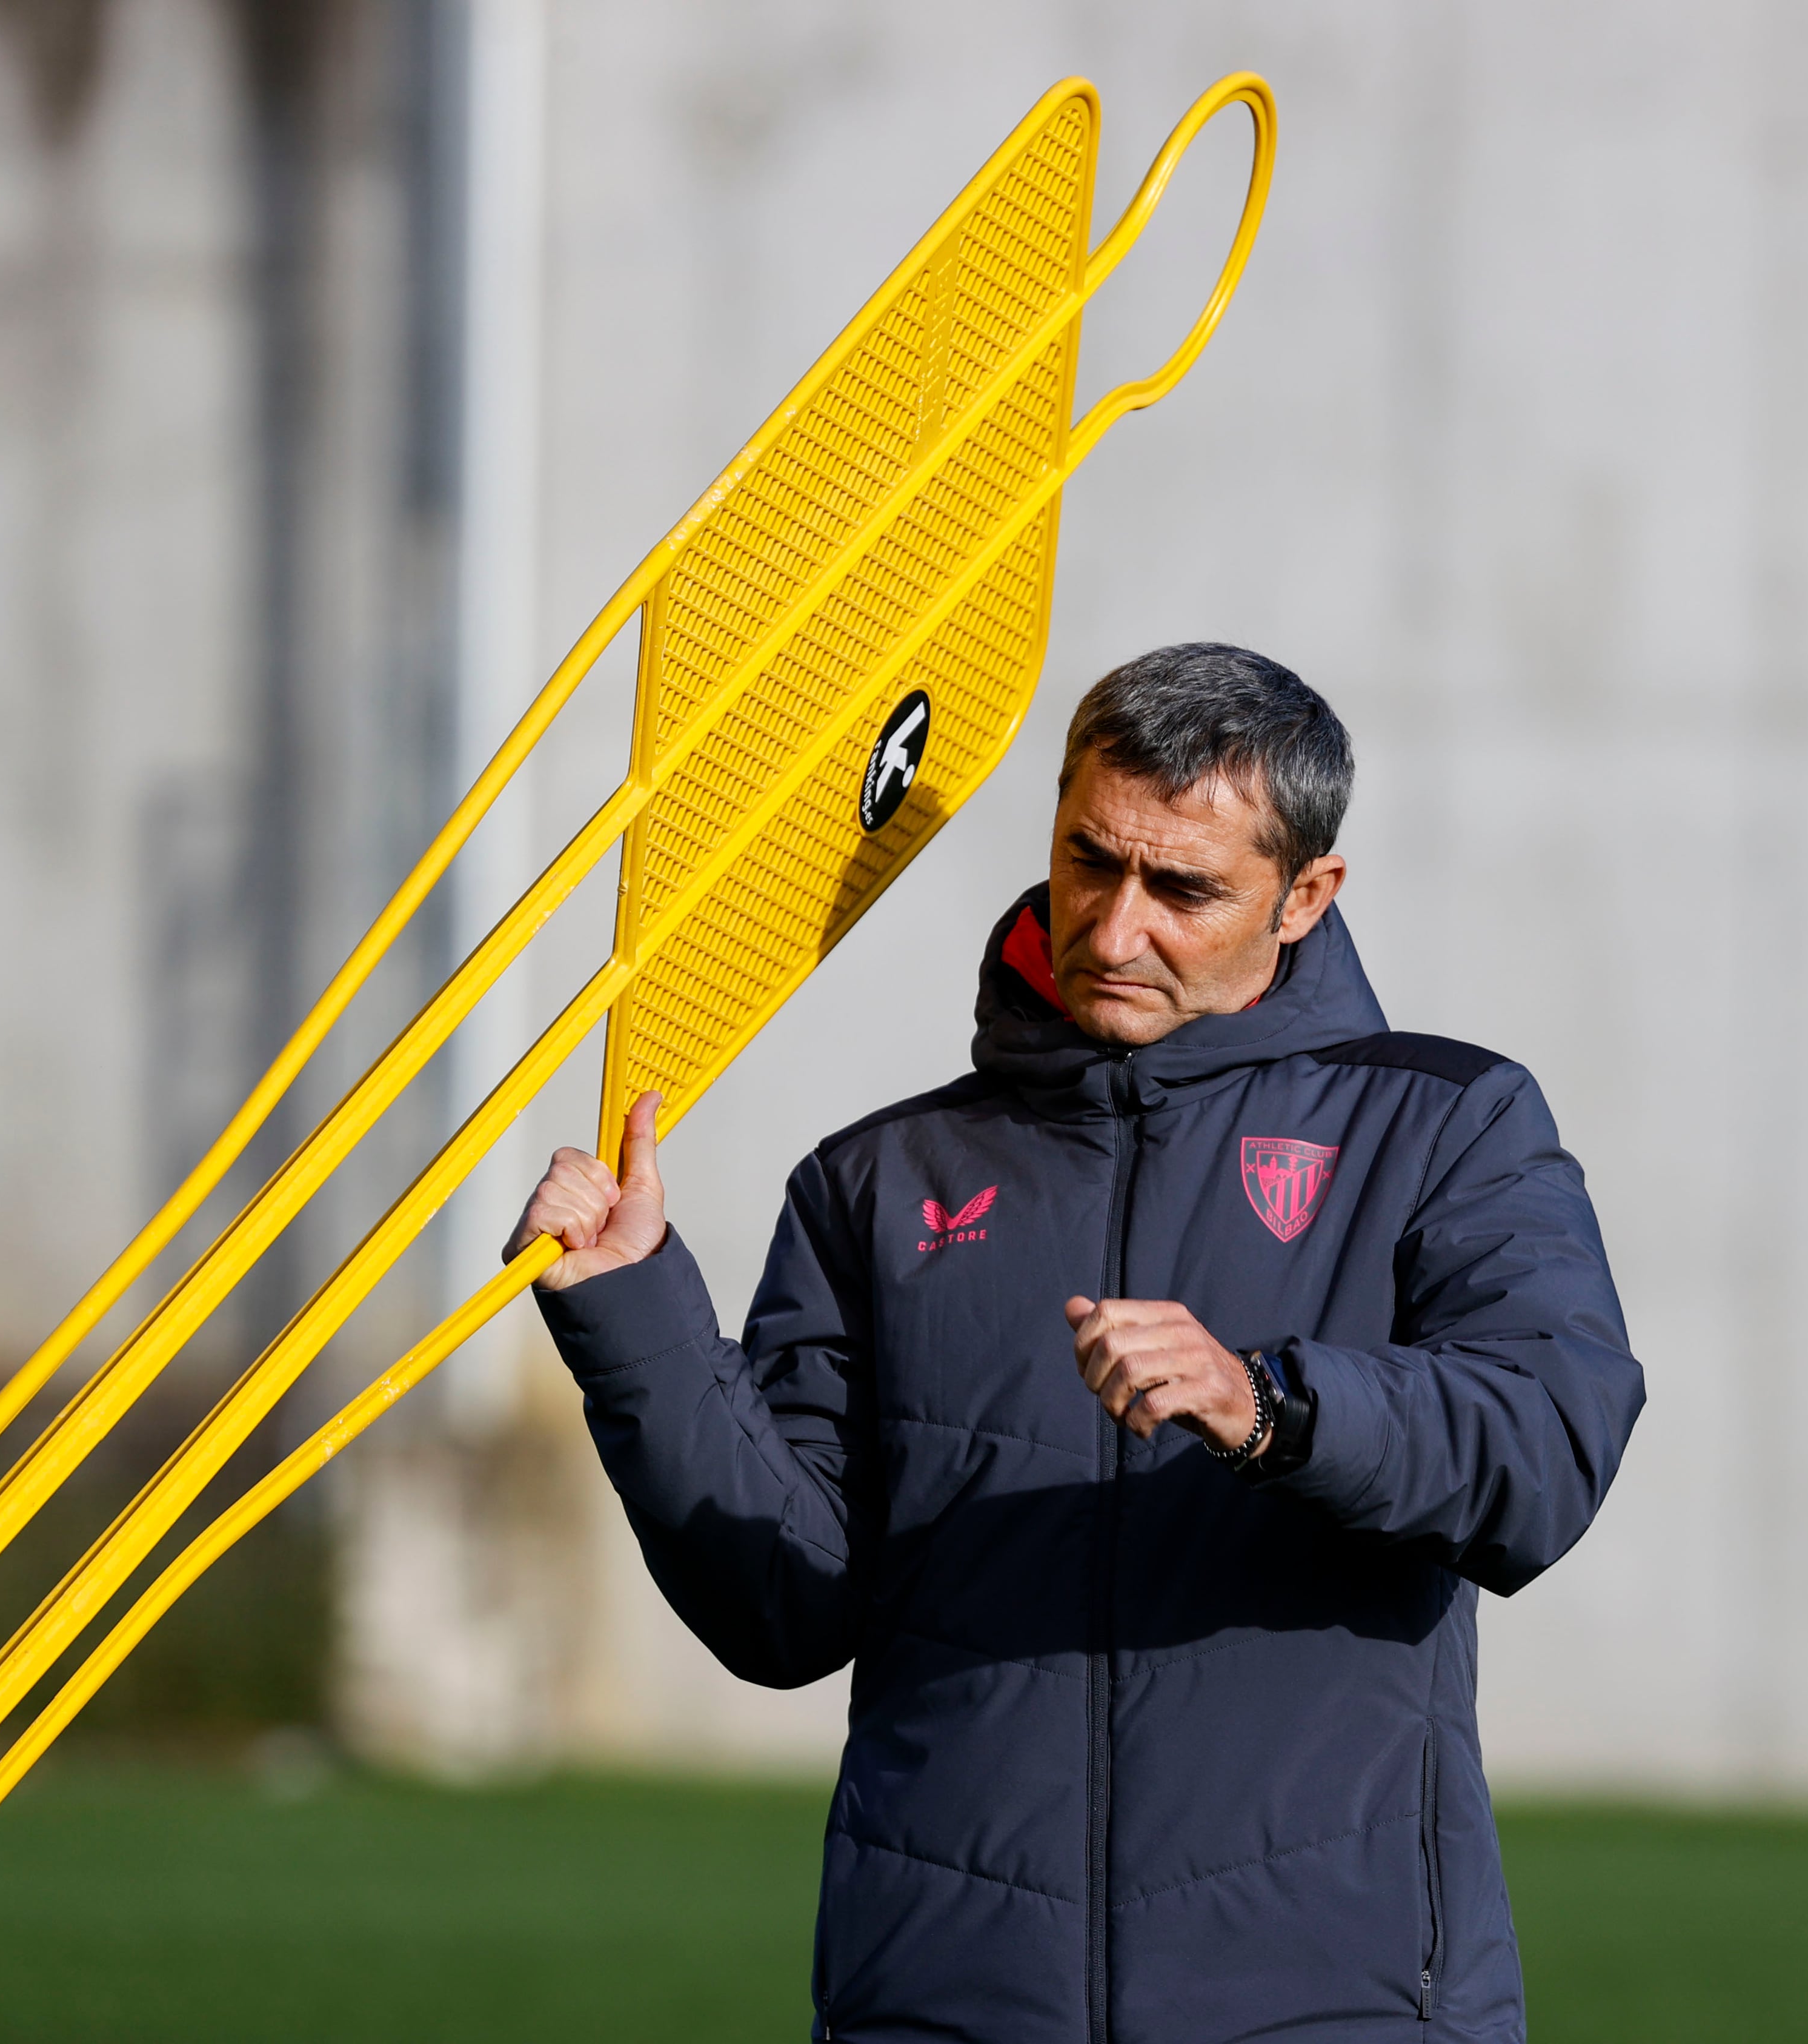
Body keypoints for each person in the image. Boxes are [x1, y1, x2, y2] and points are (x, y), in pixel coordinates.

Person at [510, 642, 1643, 2043]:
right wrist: (639, 1318)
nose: (1112, 930)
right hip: (941, 2003)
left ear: (1306, 896)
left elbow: (1545, 1444)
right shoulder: (878, 1179)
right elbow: (781, 1611)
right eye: (1091, 860)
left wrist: (1269, 1404)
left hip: (1328, 2003)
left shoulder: (1446, 1126)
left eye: (1184, 890)